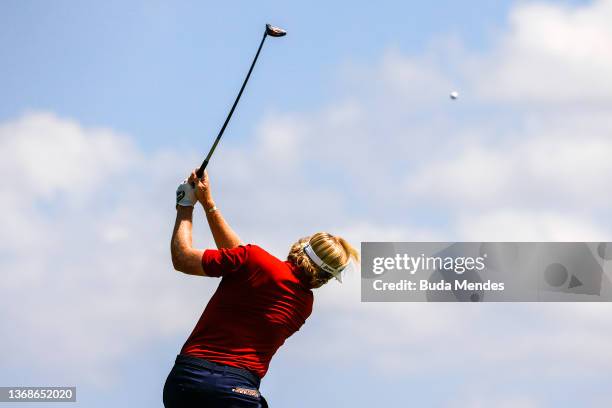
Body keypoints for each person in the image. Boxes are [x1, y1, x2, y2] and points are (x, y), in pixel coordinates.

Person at [163, 169, 359, 408]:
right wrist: (209, 204)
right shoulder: (304, 306)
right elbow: (240, 259)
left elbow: (183, 259)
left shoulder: (253, 260)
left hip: (186, 382)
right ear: (326, 278)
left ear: (302, 245)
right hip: (237, 391)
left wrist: (185, 203)